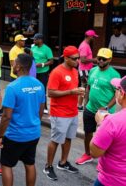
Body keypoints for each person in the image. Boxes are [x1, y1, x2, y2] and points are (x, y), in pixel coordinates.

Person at [0, 54, 45, 186]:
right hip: (33, 133)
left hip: (15, 135)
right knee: (30, 164)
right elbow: (41, 111)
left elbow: (6, 116)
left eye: (14, 63)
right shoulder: (39, 84)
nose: (12, 65)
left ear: (19, 66)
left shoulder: (12, 87)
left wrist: (0, 136)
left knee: (6, 165)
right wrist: (34, 124)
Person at [43, 46, 84, 181]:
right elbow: (50, 92)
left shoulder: (74, 71)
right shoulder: (57, 72)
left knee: (68, 138)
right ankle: (48, 166)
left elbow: (72, 88)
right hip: (59, 112)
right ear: (66, 58)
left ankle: (63, 162)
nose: (77, 61)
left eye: (78, 58)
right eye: (74, 59)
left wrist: (78, 93)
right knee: (55, 140)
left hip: (72, 111)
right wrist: (71, 92)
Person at [75, 48, 120, 165]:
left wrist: (106, 107)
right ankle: (87, 154)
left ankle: (105, 160)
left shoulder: (115, 75)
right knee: (88, 133)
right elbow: (89, 87)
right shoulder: (93, 70)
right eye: (99, 58)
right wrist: (86, 102)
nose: (100, 61)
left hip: (105, 113)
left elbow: (117, 95)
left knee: (106, 138)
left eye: (103, 59)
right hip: (90, 109)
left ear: (109, 59)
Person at [89, 76, 126, 186]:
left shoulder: (112, 122)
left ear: (122, 94)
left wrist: (101, 124)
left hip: (112, 180)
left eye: (117, 89)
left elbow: (95, 152)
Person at [31, 33, 53, 111]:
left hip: (43, 72)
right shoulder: (33, 47)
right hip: (33, 72)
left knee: (42, 89)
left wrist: (42, 64)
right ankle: (35, 105)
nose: (34, 41)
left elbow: (51, 61)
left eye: (35, 39)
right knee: (33, 89)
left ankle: (44, 107)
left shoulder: (47, 49)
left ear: (40, 40)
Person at [77, 29, 98, 111]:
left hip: (86, 69)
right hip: (84, 70)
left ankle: (80, 106)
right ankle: (81, 106)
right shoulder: (84, 46)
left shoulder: (86, 44)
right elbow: (82, 60)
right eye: (93, 37)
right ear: (89, 36)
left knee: (84, 87)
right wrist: (94, 60)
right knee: (85, 88)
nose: (94, 38)